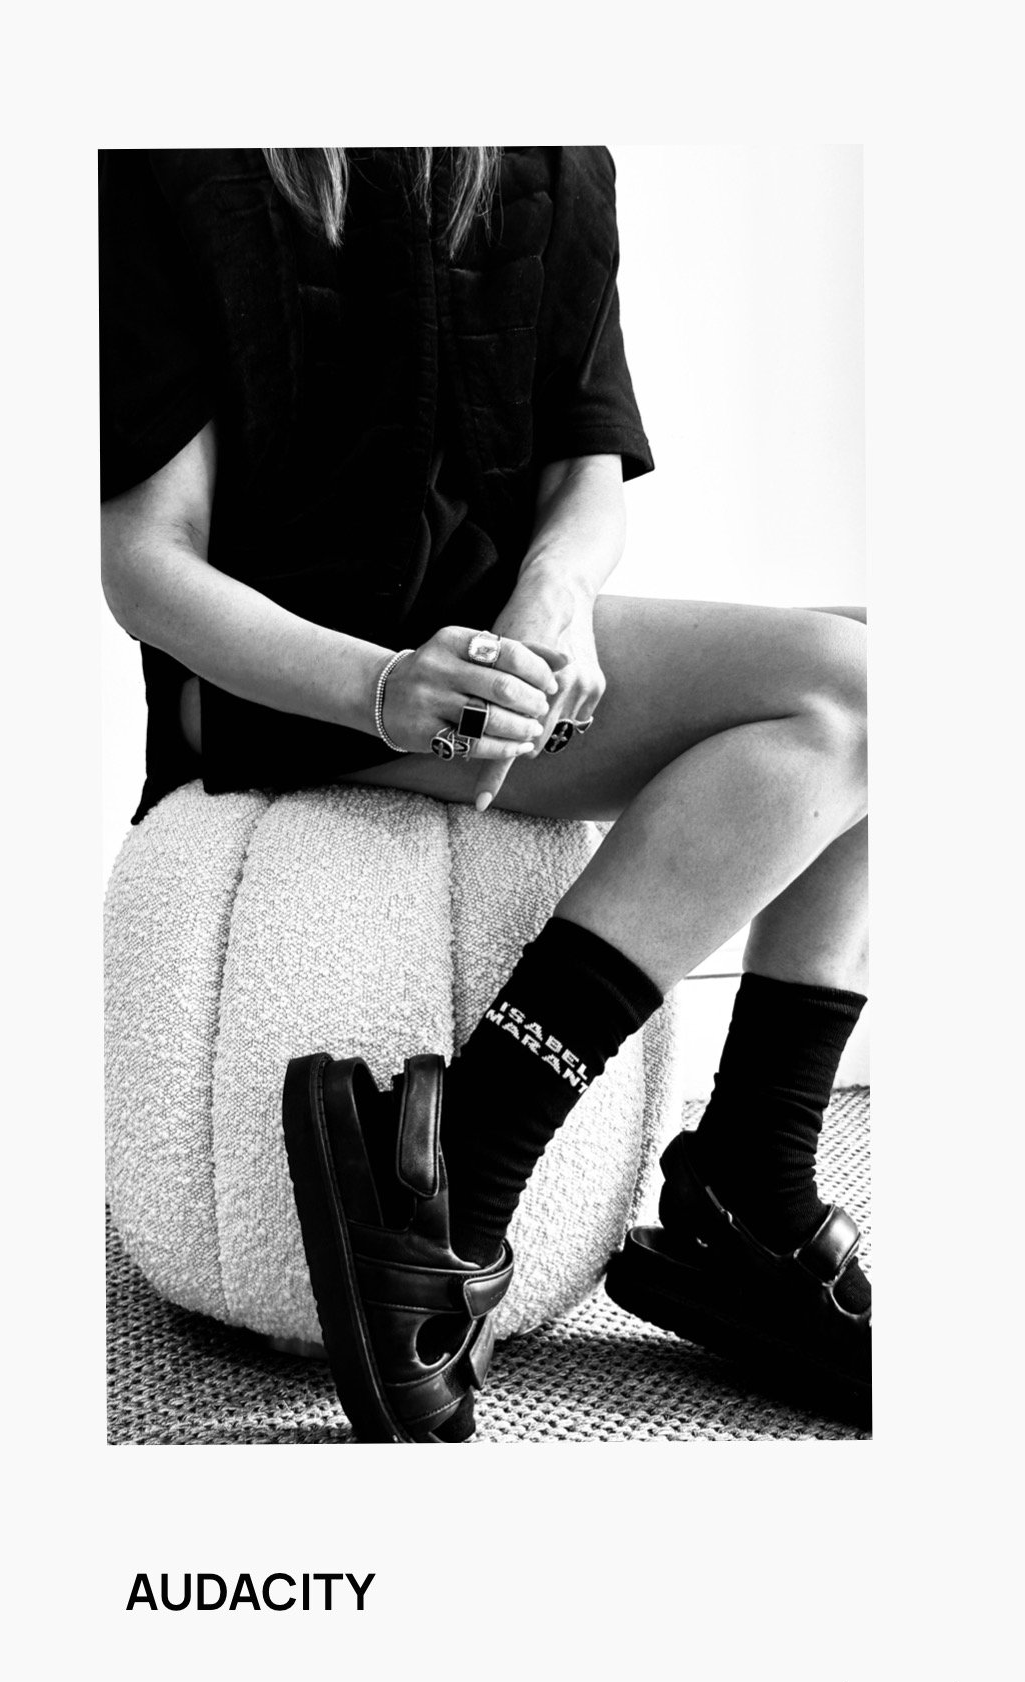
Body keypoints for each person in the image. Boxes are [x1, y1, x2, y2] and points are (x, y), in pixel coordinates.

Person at [101, 146, 870, 1444]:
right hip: (288, 681)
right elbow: (143, 562)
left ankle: (743, 1179)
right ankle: (491, 1172)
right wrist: (383, 686)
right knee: (854, 690)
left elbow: (584, 477)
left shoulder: (554, 157)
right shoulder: (182, 161)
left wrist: (557, 601)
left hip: (484, 664)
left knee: (887, 673)